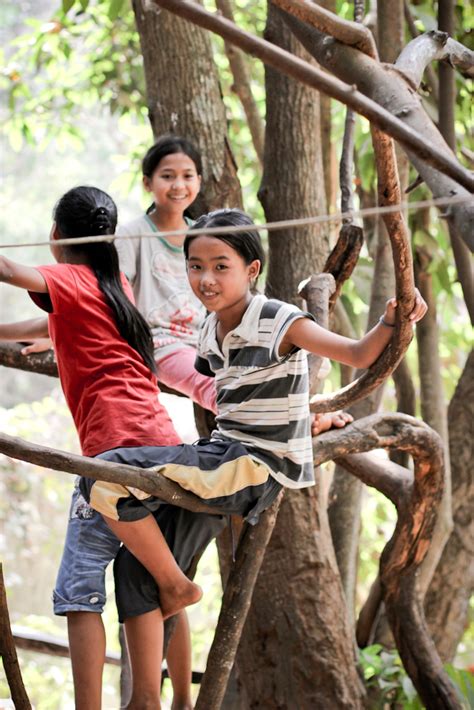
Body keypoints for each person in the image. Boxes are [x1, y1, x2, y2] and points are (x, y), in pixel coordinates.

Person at [78, 208, 428, 683]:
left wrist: (392, 320)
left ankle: (176, 586)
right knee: (133, 569)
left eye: (221, 266)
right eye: (195, 266)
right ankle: (156, 678)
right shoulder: (209, 325)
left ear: (252, 270)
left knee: (100, 475)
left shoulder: (276, 318)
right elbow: (232, 386)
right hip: (221, 453)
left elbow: (357, 354)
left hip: (250, 465)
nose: (206, 278)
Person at [0, 186, 227, 710]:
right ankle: (175, 701)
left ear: (57, 237)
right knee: (150, 578)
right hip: (162, 444)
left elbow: (13, 272)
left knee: (79, 588)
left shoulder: (70, 278)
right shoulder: (113, 283)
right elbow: (57, 319)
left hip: (115, 452)